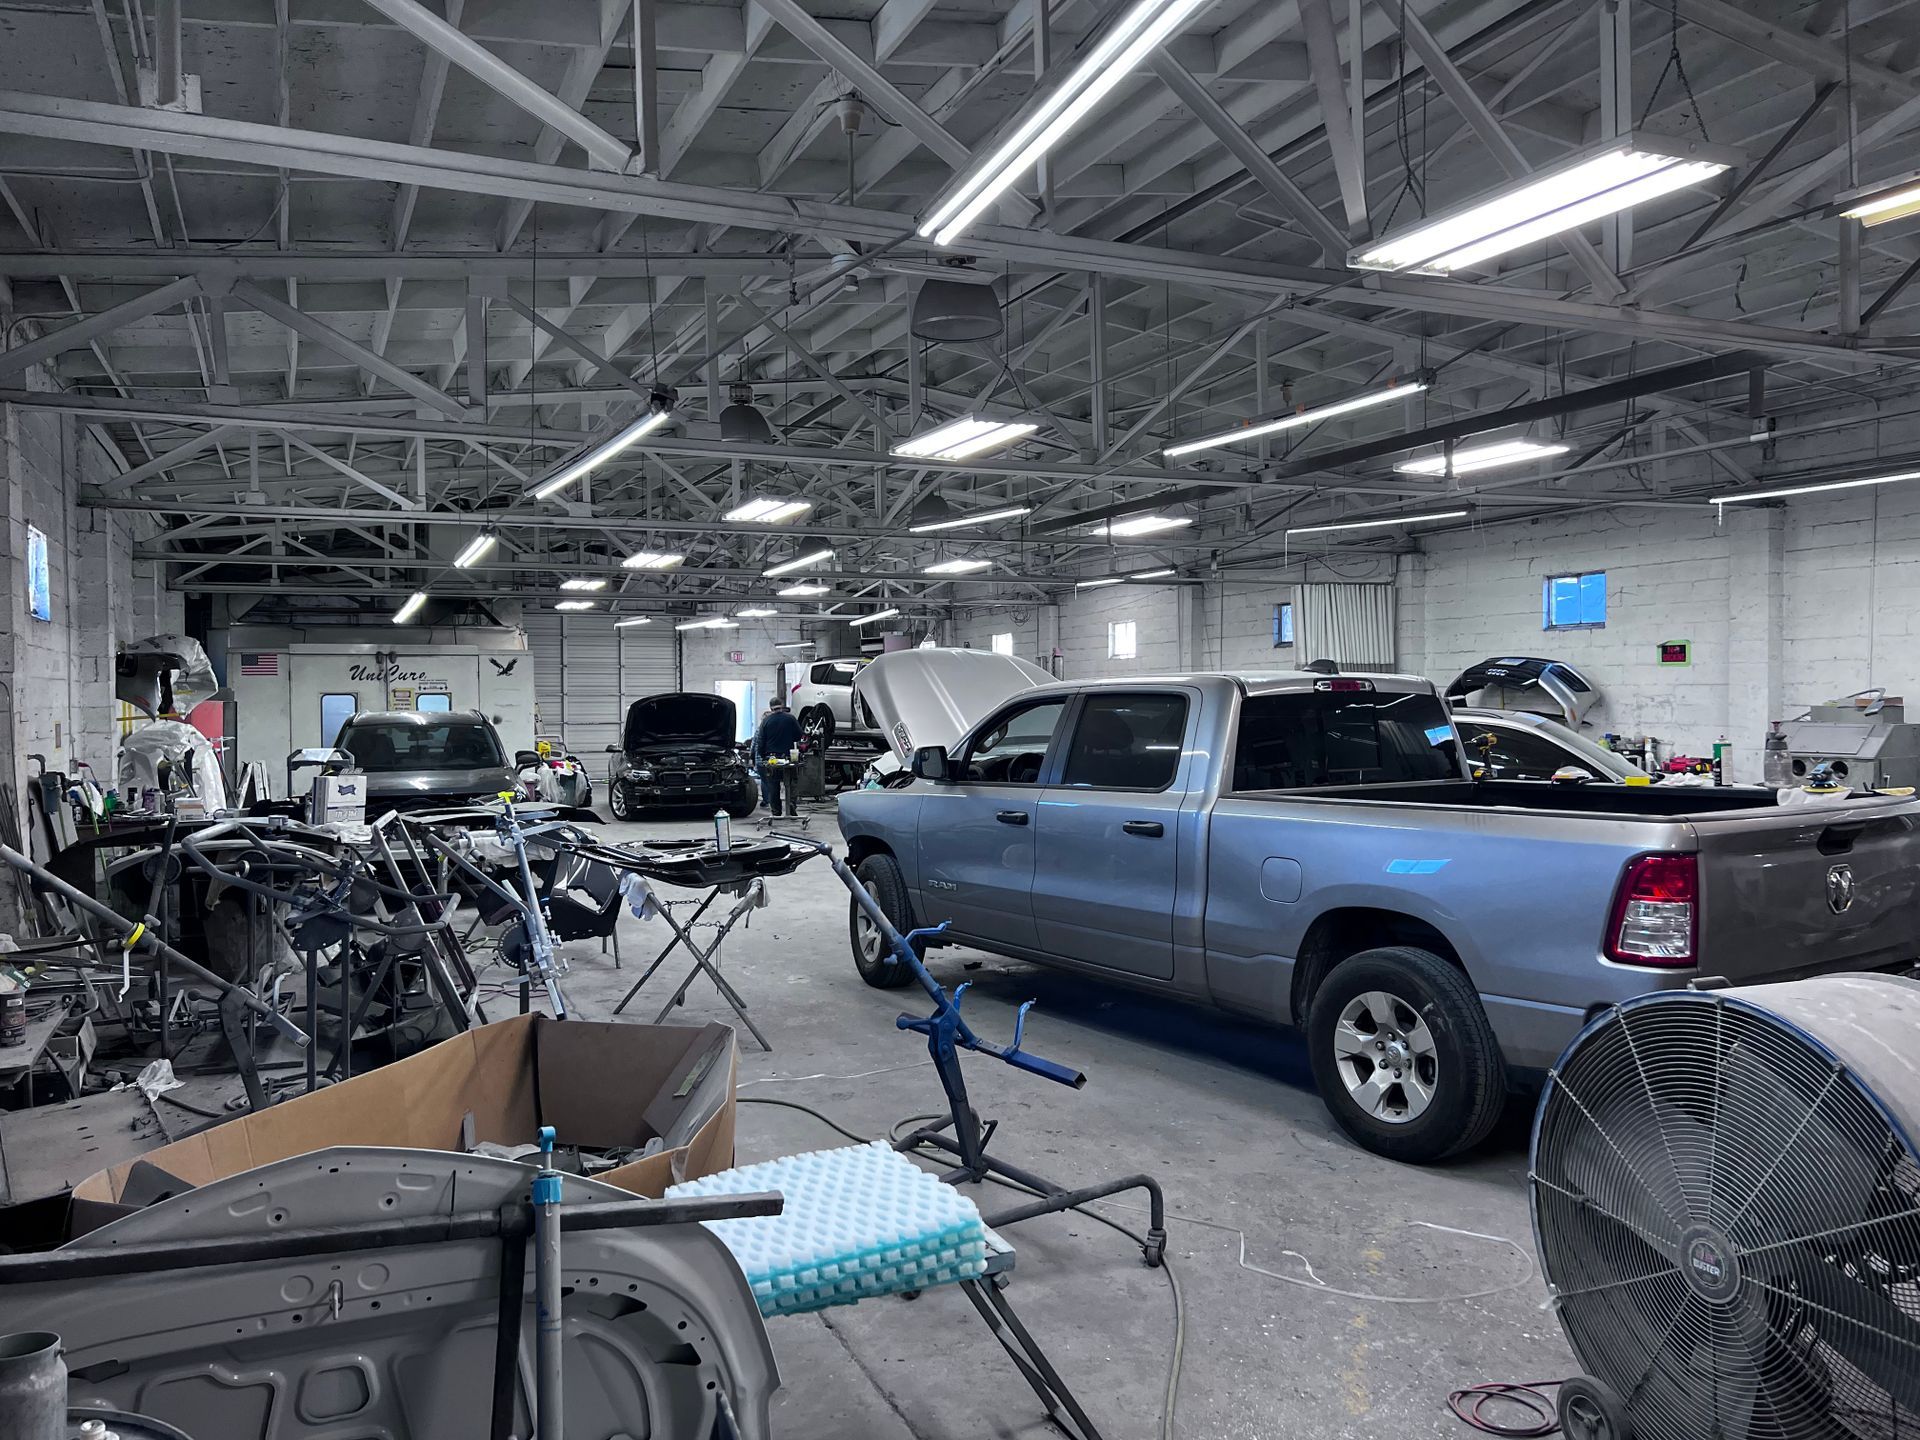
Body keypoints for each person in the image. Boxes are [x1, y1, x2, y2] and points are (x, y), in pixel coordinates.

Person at [751, 698, 804, 816]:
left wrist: (762, 756)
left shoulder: (766, 721)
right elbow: (799, 735)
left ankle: (776, 811)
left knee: (773, 785)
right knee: (792, 782)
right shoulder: (790, 718)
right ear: (782, 706)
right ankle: (791, 804)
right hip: (789, 757)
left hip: (772, 759)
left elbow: (760, 741)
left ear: (770, 708)